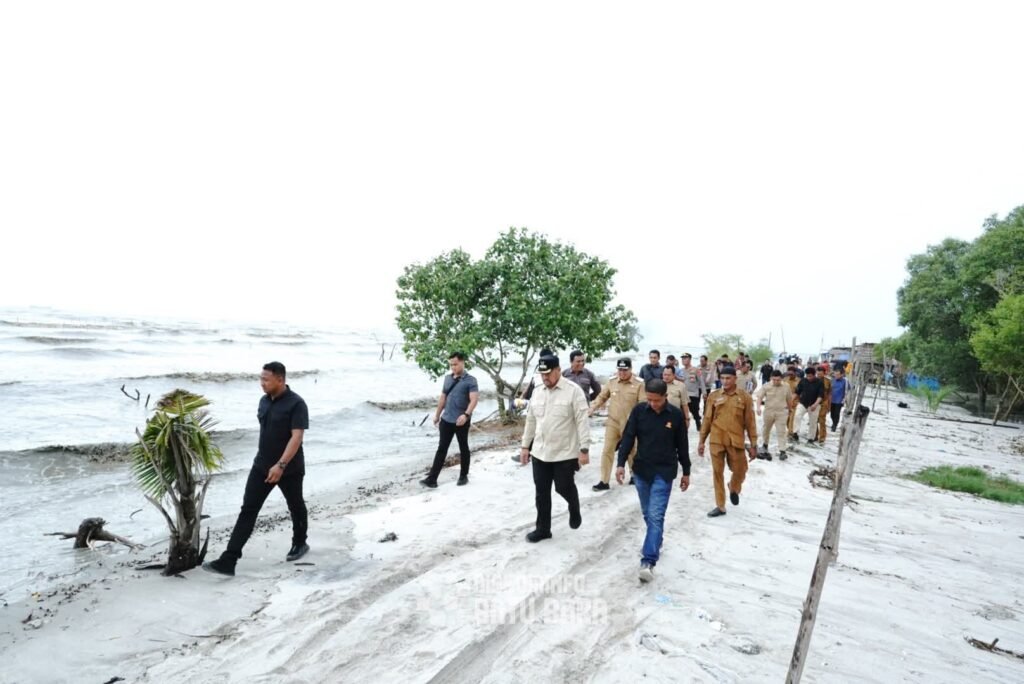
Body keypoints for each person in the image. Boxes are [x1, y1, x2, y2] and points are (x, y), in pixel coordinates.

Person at [204, 362, 310, 576]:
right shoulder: (263, 401)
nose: (261, 383)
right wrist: (268, 464)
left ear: (280, 380)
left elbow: (296, 437)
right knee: (248, 510)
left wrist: (280, 465)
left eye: (266, 379)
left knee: (295, 505)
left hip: (289, 469)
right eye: (260, 378)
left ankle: (300, 543)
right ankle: (229, 560)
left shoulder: (297, 404)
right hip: (261, 466)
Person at [616, 379, 690, 583]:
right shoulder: (640, 411)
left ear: (665, 397)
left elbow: (682, 445)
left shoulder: (675, 415)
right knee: (648, 514)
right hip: (641, 470)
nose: (653, 404)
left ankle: (648, 560)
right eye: (649, 400)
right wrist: (621, 463)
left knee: (656, 516)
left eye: (656, 400)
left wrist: (687, 471)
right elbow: (628, 437)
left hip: (664, 473)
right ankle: (656, 541)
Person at [519, 355, 590, 543]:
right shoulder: (538, 391)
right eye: (542, 374)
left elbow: (583, 421)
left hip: (564, 452)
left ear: (558, 370)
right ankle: (543, 529)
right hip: (540, 451)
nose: (545, 378)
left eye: (548, 374)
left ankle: (574, 506)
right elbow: (531, 420)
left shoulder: (573, 391)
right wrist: (525, 446)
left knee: (563, 487)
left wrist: (584, 449)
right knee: (541, 492)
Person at [698, 365, 758, 518]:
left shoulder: (744, 397)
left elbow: (750, 423)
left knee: (741, 469)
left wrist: (753, 444)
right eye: (723, 378)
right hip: (717, 440)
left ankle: (734, 487)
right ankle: (720, 505)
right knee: (717, 473)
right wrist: (702, 441)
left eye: (728, 378)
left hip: (736, 441)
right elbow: (707, 419)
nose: (725, 381)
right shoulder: (714, 396)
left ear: (735, 379)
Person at [421, 352, 479, 487]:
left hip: (461, 420)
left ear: (463, 362)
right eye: (451, 365)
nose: (453, 367)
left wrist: (466, 415)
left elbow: (474, 400)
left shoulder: (471, 380)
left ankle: (463, 476)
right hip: (446, 419)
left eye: (455, 364)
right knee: (441, 449)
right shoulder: (447, 378)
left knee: (463, 447)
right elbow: (443, 398)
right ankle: (432, 479)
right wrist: (437, 415)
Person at [589, 358, 645, 490]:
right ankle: (604, 480)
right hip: (613, 422)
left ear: (631, 369)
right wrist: (592, 407)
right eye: (620, 370)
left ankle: (634, 475)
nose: (622, 373)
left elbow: (643, 404)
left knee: (632, 450)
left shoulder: (639, 384)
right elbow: (602, 397)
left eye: (625, 370)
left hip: (631, 424)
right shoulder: (612, 381)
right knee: (607, 450)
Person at [755, 370, 794, 460]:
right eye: (774, 380)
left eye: (778, 380)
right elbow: (759, 397)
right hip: (769, 411)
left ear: (781, 379)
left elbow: (789, 398)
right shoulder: (766, 386)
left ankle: (782, 451)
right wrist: (758, 408)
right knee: (766, 429)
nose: (776, 381)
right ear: (771, 378)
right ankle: (765, 445)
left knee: (781, 431)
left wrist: (790, 409)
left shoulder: (786, 386)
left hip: (781, 412)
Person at [791, 366, 825, 444]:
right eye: (807, 376)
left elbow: (820, 396)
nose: (808, 378)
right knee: (797, 416)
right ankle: (795, 433)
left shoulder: (819, 382)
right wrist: (791, 401)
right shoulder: (803, 381)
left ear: (814, 375)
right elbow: (797, 392)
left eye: (810, 376)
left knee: (813, 421)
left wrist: (815, 405)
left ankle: (811, 438)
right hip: (803, 403)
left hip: (814, 404)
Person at [677, 353, 706, 430]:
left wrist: (704, 392)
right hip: (683, 394)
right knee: (682, 411)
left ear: (689, 359)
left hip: (693, 394)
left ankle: (698, 425)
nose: (683, 360)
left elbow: (701, 381)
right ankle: (683, 426)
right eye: (682, 359)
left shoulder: (696, 370)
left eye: (685, 358)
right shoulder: (680, 371)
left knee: (695, 411)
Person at [816, 362, 833, 444]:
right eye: (818, 373)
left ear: (824, 373)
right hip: (815, 403)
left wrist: (829, 405)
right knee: (814, 420)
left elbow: (830, 393)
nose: (819, 375)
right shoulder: (813, 380)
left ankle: (822, 437)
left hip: (824, 403)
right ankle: (815, 435)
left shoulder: (828, 381)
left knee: (822, 420)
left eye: (820, 373)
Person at [830, 366, 849, 431]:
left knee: (836, 413)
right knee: (832, 414)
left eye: (838, 374)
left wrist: (844, 399)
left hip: (839, 400)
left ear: (842, 375)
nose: (836, 376)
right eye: (835, 374)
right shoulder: (832, 380)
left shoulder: (845, 381)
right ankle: (833, 422)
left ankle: (835, 425)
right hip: (832, 399)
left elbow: (848, 390)